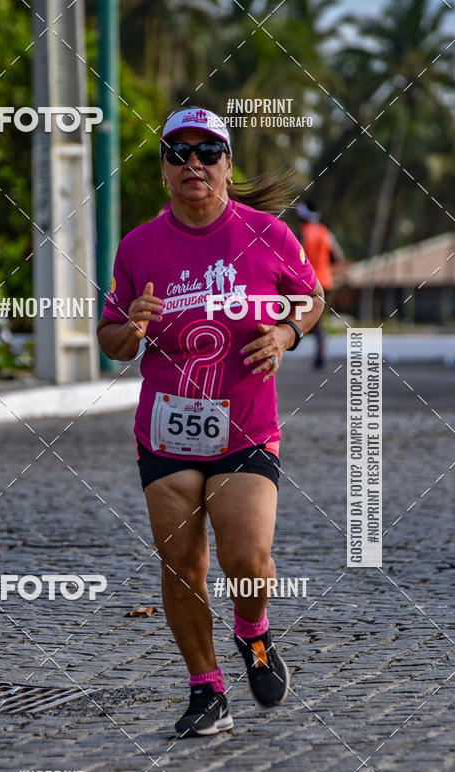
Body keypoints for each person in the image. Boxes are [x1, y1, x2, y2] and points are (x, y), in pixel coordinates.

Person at [97, 108, 325, 737]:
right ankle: (207, 690)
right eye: (178, 152)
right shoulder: (139, 245)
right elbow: (111, 340)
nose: (192, 162)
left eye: (207, 151)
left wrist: (285, 332)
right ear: (164, 170)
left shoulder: (268, 234)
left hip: (247, 424)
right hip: (166, 429)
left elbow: (312, 299)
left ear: (227, 164)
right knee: (181, 564)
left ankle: (253, 633)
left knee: (248, 559)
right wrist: (131, 327)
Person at [296, 201, 344, 368]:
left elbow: (295, 256)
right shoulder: (325, 232)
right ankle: (320, 352)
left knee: (310, 319)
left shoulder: (302, 232)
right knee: (319, 319)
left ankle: (320, 353)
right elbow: (337, 256)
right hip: (326, 282)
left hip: (307, 282)